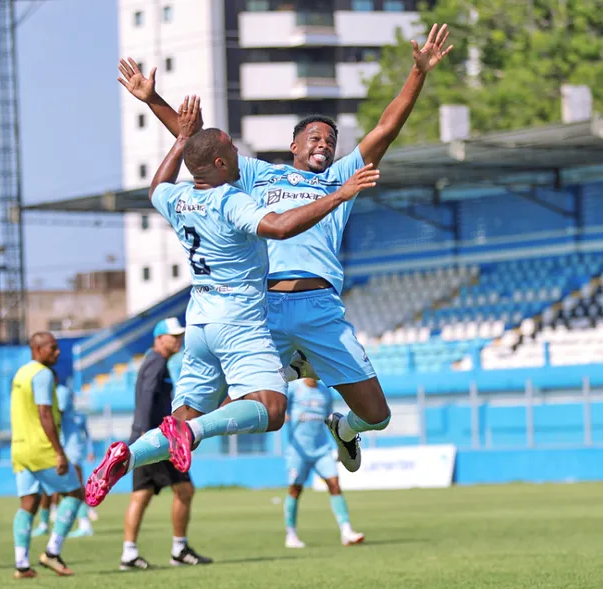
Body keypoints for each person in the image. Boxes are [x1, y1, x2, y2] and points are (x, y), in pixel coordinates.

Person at [116, 23, 453, 472]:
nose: (324, 144)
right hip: (264, 308)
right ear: (294, 145)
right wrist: (153, 101)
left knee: (378, 415)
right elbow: (202, 151)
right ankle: (130, 457)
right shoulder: (259, 175)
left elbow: (385, 128)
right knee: (217, 408)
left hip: (320, 308)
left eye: (330, 141)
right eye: (314, 137)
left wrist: (419, 73)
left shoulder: (340, 179)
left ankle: (341, 425)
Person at [85, 95, 380, 508]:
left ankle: (126, 455)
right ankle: (193, 434)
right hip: (238, 320)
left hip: (199, 322)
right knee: (271, 411)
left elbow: (163, 180)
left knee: (184, 418)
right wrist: (339, 195)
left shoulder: (176, 199)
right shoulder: (231, 201)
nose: (239, 154)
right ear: (222, 165)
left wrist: (180, 132)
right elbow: (277, 228)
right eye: (232, 150)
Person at [121, 317, 211, 570]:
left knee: (141, 495)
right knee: (185, 490)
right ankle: (179, 549)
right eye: (173, 336)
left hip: (143, 438)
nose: (178, 340)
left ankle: (129, 554)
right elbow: (148, 401)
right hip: (156, 440)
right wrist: (150, 439)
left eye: (179, 335)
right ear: (159, 338)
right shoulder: (158, 363)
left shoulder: (153, 361)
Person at [10, 332, 86, 579]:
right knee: (75, 493)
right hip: (40, 448)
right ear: (38, 349)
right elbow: (44, 413)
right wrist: (59, 452)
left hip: (19, 447)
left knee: (28, 503)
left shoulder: (21, 373)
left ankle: (21, 564)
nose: (57, 352)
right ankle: (52, 552)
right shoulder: (43, 375)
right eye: (53, 348)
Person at [283, 378, 364, 549]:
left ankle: (346, 531)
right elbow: (281, 410)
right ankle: (291, 534)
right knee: (295, 490)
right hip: (298, 451)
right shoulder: (293, 388)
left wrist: (340, 447)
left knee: (334, 484)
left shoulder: (325, 391)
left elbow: (330, 421)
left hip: (322, 449)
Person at [31, 373, 97, 538]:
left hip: (69, 445)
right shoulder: (47, 394)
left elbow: (54, 414)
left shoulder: (61, 392)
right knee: (46, 485)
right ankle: (44, 523)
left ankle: (84, 523)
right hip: (56, 444)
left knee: (75, 482)